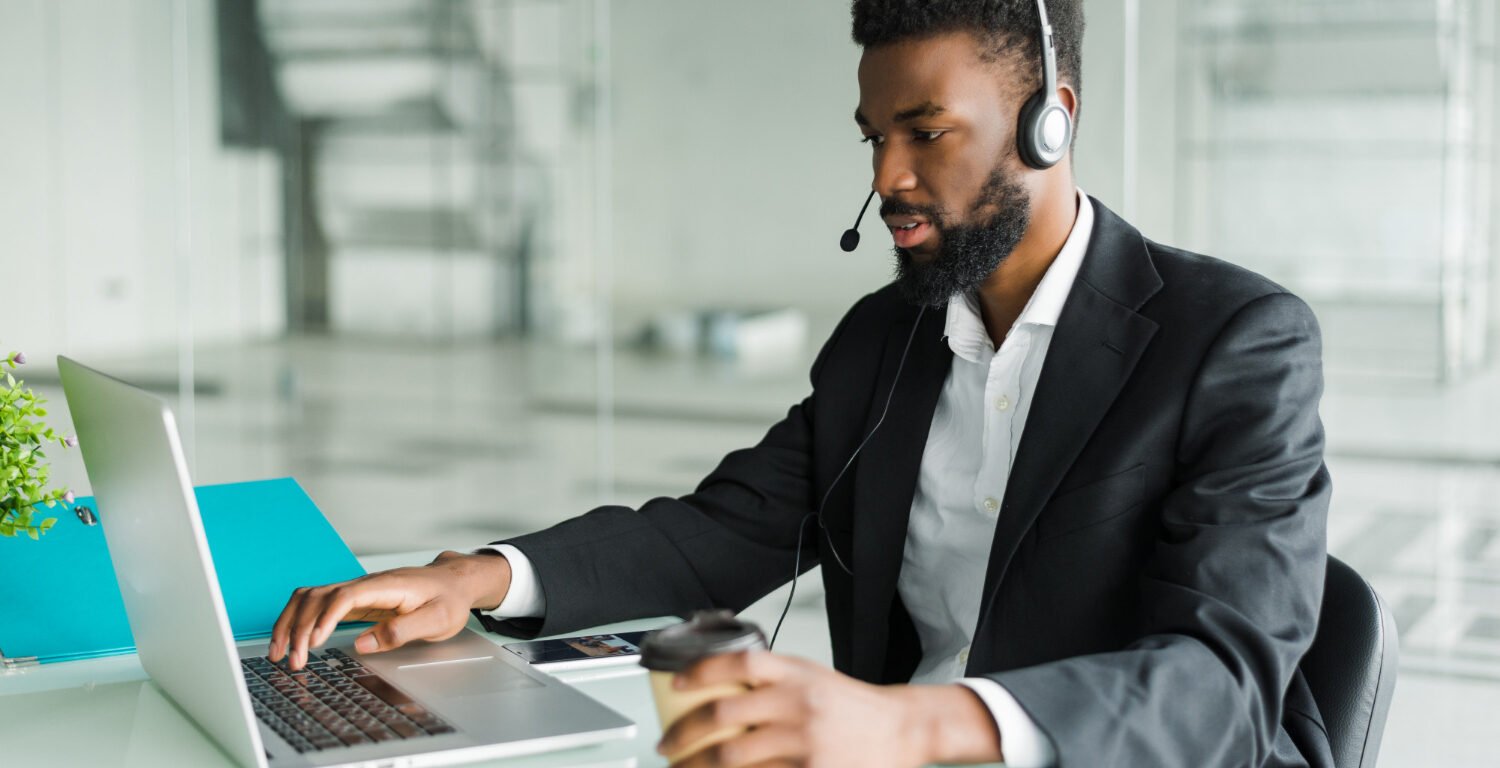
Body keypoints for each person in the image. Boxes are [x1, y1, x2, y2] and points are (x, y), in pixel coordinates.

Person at [271, 2, 1335, 765]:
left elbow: (1222, 689)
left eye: (927, 132)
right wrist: (479, 579)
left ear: (1047, 121)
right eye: (876, 138)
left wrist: (913, 727)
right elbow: (724, 531)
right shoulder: (887, 337)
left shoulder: (1233, 341)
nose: (885, 181)